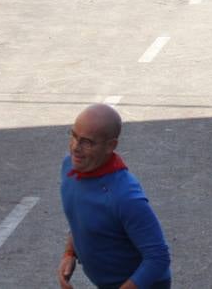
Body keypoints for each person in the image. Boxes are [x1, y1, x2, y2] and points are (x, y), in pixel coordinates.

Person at [59, 104, 171, 289]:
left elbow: (158, 258)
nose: (75, 148)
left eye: (87, 142)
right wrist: (69, 254)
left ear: (110, 146)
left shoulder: (125, 196)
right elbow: (81, 217)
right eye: (73, 135)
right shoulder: (69, 168)